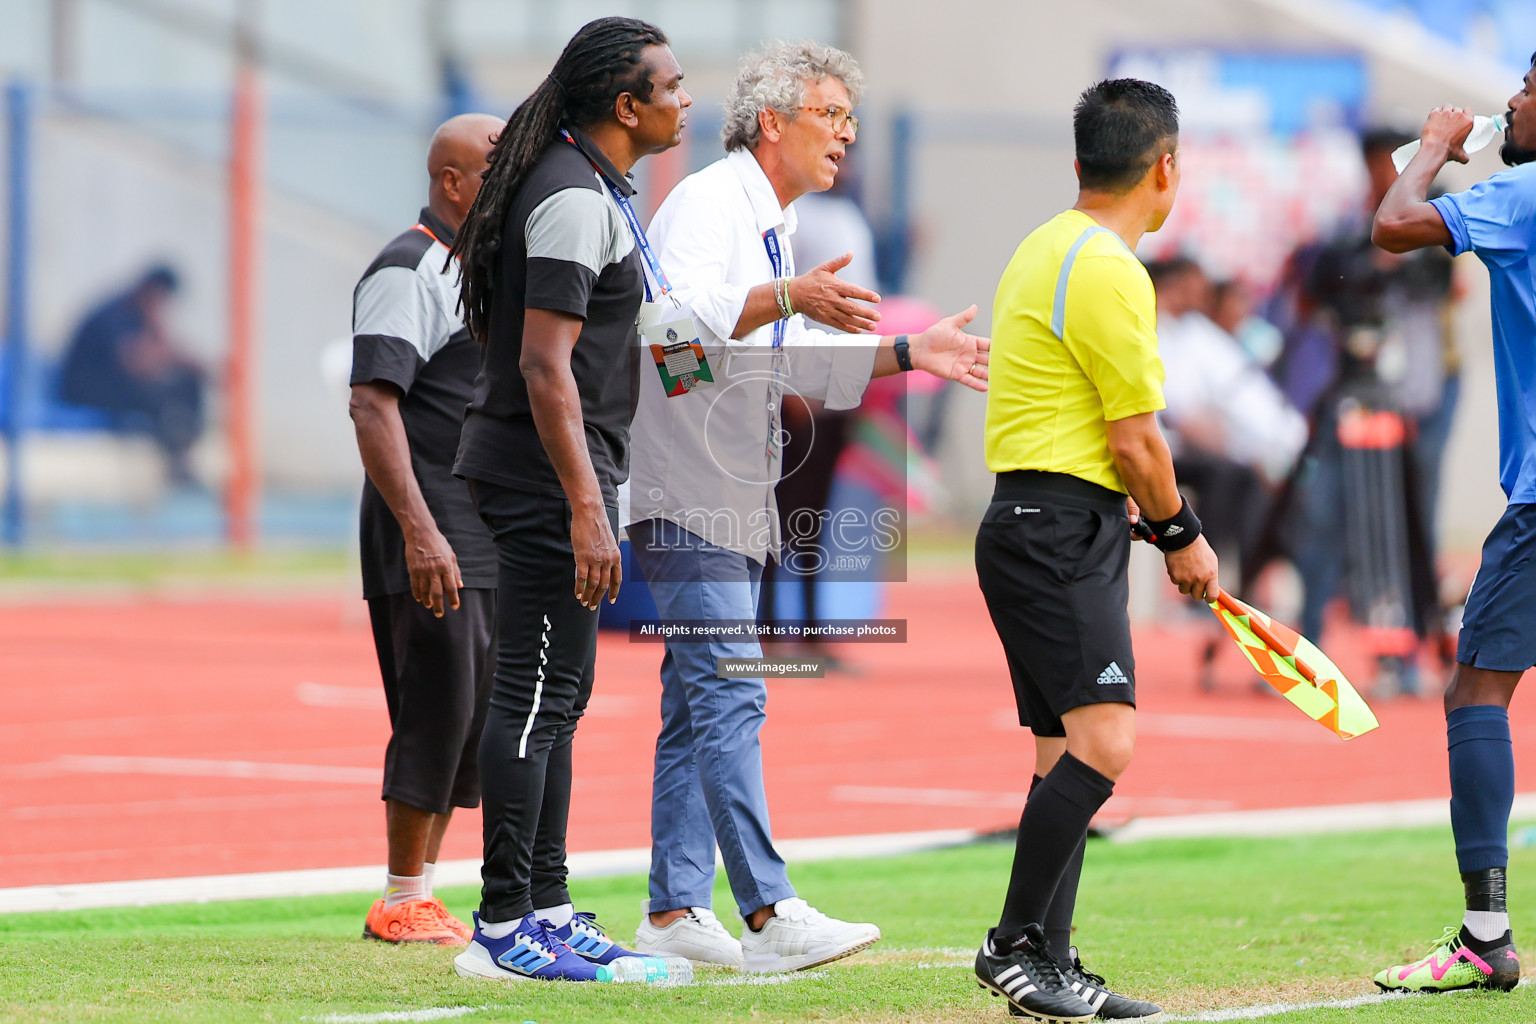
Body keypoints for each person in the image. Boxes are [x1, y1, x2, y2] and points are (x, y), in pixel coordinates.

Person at [624, 42, 988, 973]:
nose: (847, 135)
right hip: (690, 489)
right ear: (773, 121)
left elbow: (777, 364)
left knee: (694, 705)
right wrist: (786, 295)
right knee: (733, 693)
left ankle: (672, 910)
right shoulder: (711, 203)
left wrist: (912, 355)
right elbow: (672, 345)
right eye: (831, 115)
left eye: (851, 120)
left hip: (735, 489)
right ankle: (766, 909)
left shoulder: (769, 220)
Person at [445, 17, 691, 984]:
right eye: (669, 85)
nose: (683, 99)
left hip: (564, 472)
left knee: (561, 697)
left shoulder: (590, 186)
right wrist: (588, 506)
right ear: (625, 105)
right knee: (537, 694)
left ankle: (546, 905)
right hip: (546, 477)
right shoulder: (573, 195)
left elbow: (658, 341)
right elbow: (545, 368)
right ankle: (506, 928)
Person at [972, 78, 1218, 1022]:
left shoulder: (1045, 243)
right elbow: (1136, 440)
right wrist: (1181, 536)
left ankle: (1054, 962)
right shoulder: (1114, 267)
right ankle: (1012, 947)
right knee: (1107, 744)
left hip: (1031, 524)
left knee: (1058, 755)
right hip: (1061, 528)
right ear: (1167, 167)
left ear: (1080, 163)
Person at [1365, 59, 1536, 993]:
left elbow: (1393, 227)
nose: (1511, 99)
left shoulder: (1522, 194)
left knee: (1475, 692)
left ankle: (1484, 934)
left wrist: (1431, 149)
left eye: (1527, 87)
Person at [347, 113, 503, 947]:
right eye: (495, 166)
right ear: (452, 180)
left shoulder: (479, 271)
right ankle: (400, 893)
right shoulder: (409, 268)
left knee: (473, 713)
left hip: (478, 522)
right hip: (427, 523)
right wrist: (420, 529)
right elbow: (373, 402)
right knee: (436, 704)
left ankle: (422, 894)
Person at [56, 265, 206, 485]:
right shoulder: (113, 313)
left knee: (188, 384)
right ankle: (175, 457)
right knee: (153, 395)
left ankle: (184, 448)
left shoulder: (139, 315)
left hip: (115, 385)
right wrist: (158, 330)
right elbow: (135, 363)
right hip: (83, 390)